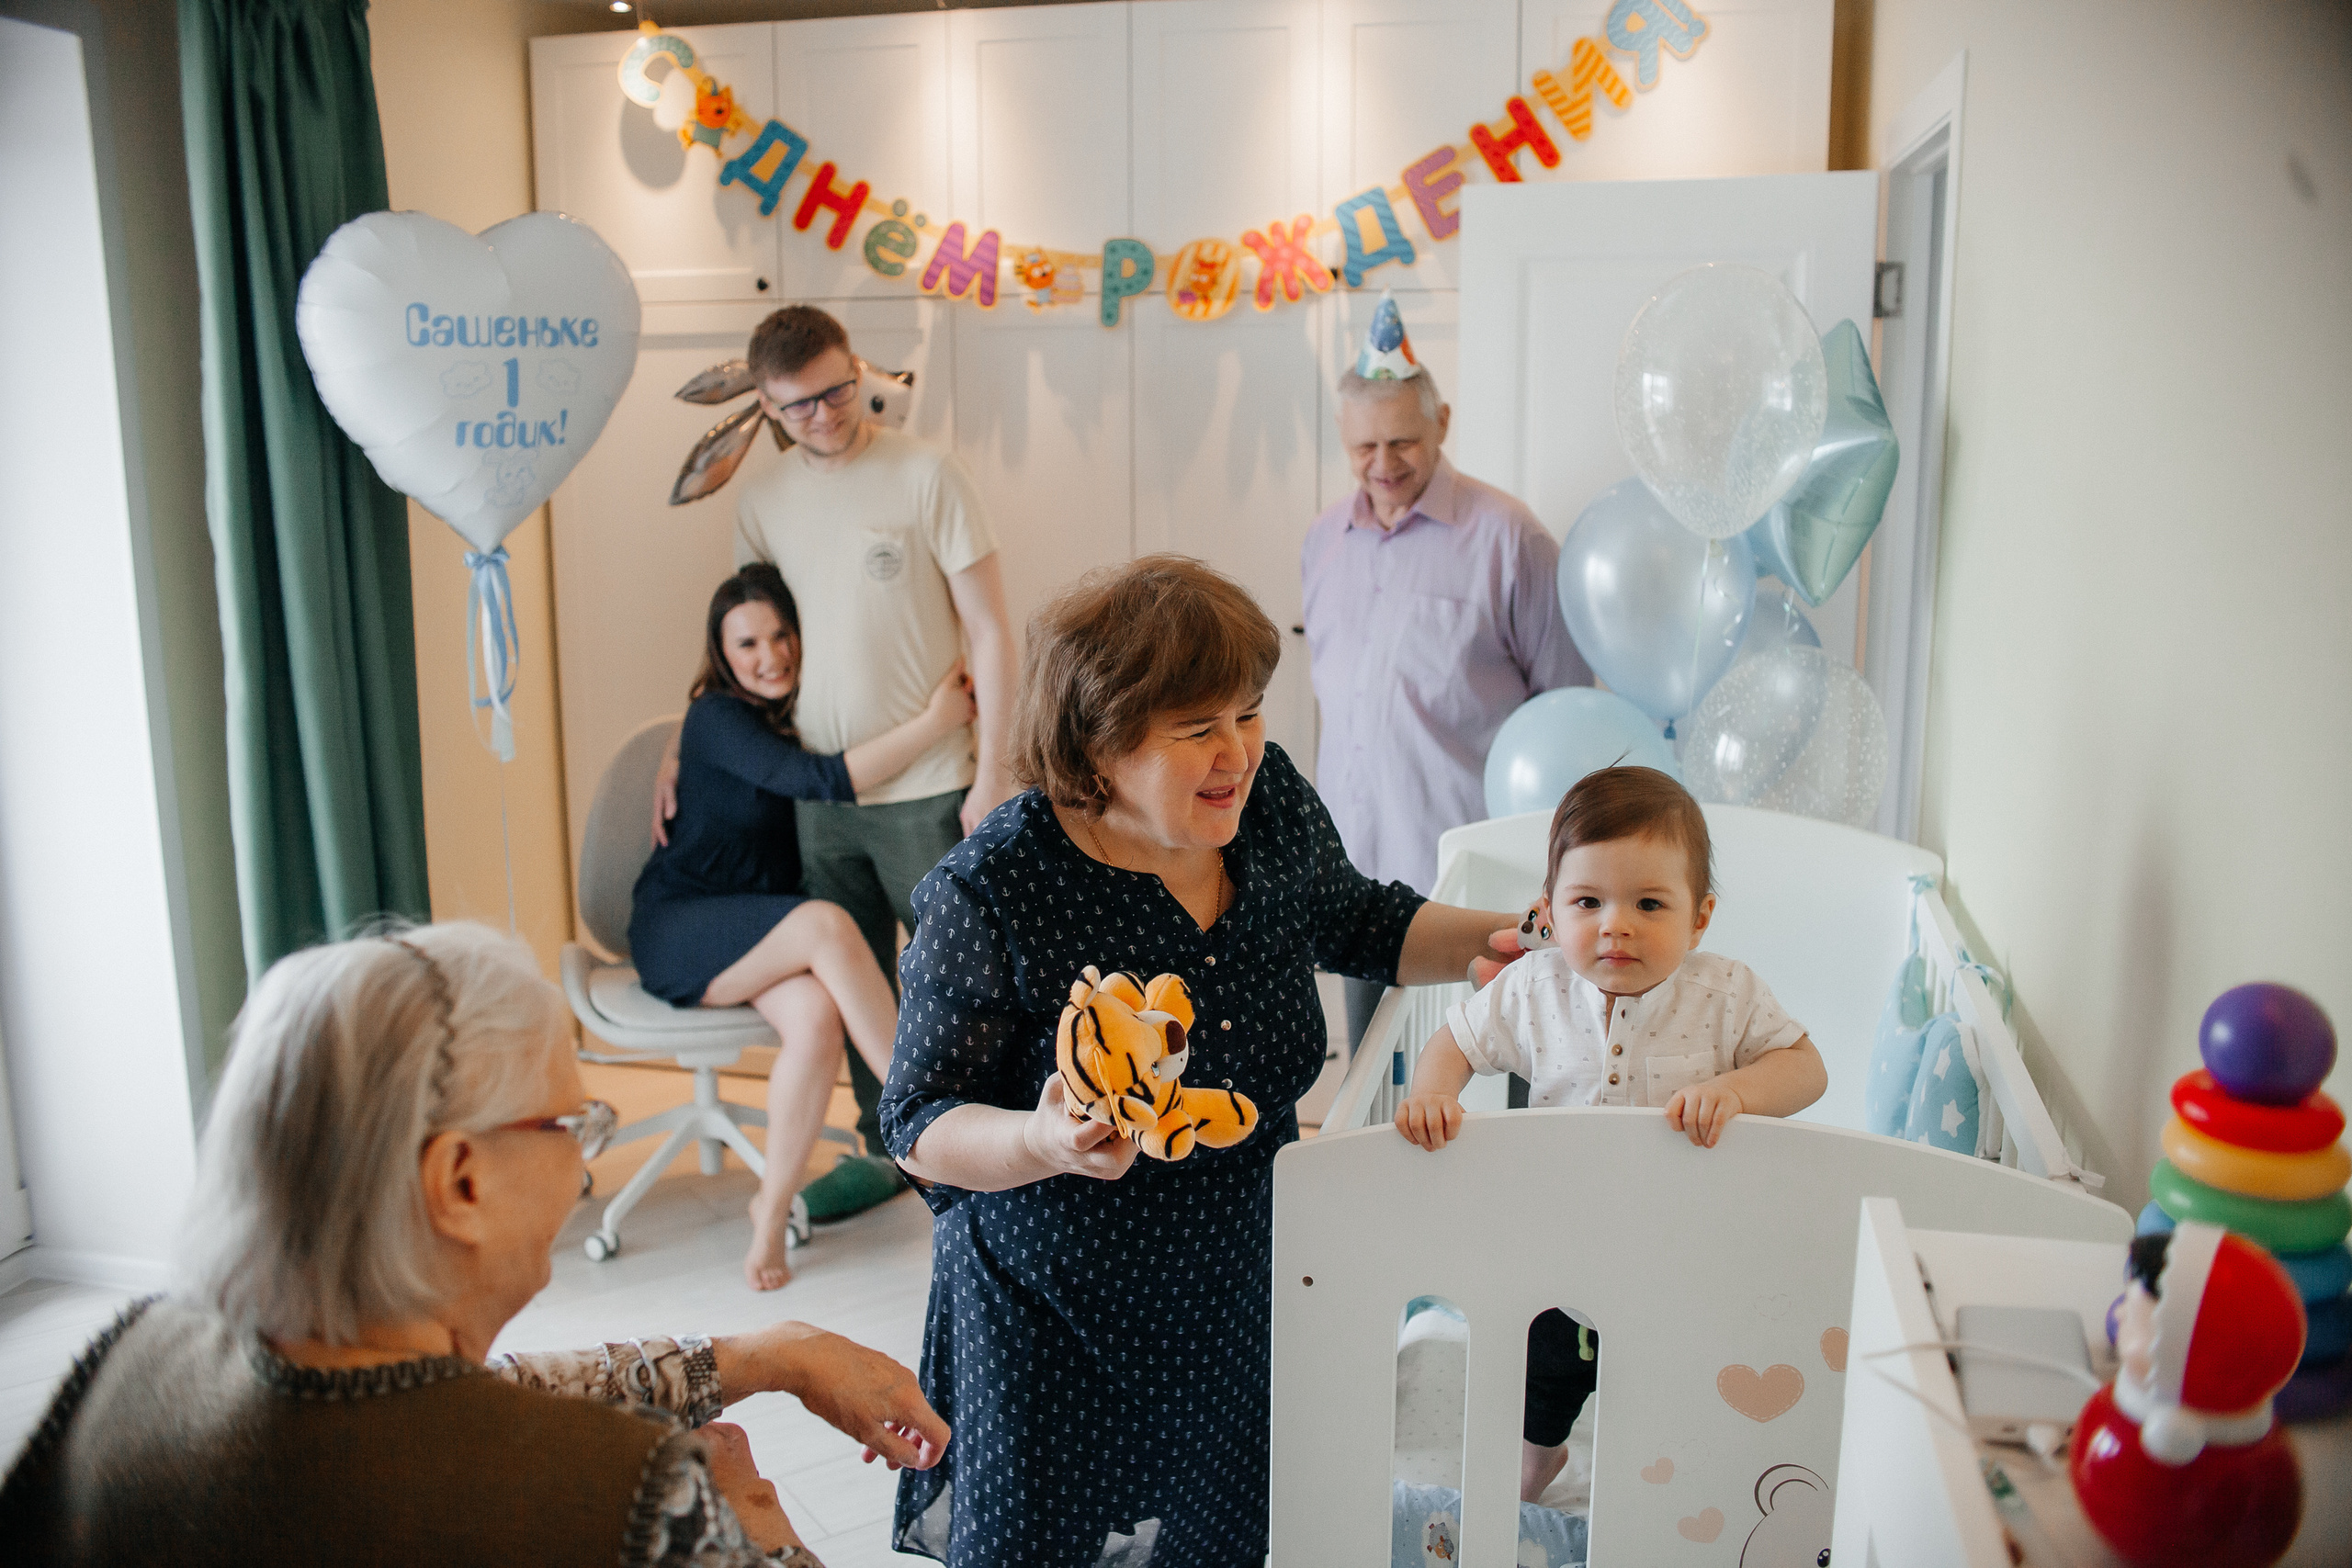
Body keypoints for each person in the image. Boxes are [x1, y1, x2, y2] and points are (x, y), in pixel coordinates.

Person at [877, 555, 1528, 1566]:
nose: (1238, 752)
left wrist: (1527, 936)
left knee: (1216, 1545)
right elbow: (917, 1124)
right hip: (1055, 1320)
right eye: (1195, 730)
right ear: (1093, 748)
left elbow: (1357, 919)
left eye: (1249, 713)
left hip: (1235, 1288)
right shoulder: (994, 889)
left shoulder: (1262, 809)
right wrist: (1044, 1139)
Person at [0, 921, 949, 1567]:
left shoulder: (133, 1359)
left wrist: (767, 1355)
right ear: (459, 1180)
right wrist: (760, 1531)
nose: (584, 1168)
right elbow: (485, 1447)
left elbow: (463, 1408)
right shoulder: (624, 1504)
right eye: (570, 1127)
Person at [660, 305, 1018, 1221]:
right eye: (796, 407)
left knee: (964, 974)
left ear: (858, 369)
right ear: (767, 408)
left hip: (931, 781)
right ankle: (885, 1143)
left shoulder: (927, 474)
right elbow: (739, 637)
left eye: (835, 391)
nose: (821, 415)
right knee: (854, 975)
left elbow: (990, 629)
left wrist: (994, 773)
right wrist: (678, 743)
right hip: (818, 795)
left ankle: (994, 1144)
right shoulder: (763, 502)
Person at [1393, 766, 1828, 1503]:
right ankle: (1539, 1462)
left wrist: (1735, 1089)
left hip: (1682, 1249)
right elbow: (1454, 1043)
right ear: (1550, 911)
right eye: (1587, 901)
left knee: (1676, 1381)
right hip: (1560, 1249)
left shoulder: (1725, 994)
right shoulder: (1535, 989)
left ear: (1699, 917)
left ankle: (1663, 1488)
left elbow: (1806, 1068)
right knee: (1541, 1373)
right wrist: (1434, 1095)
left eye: (1649, 902)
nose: (1614, 923)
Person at [632, 565, 976, 1289]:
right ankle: (921, 1114)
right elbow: (826, 782)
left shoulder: (789, 714)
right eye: (748, 642)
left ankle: (769, 1212)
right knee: (826, 924)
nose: (770, 655)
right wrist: (938, 722)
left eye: (781, 634)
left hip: (755, 927)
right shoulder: (718, 718)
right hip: (683, 922)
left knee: (818, 1017)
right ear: (722, 654)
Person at [1301, 293, 1590, 1055]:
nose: (1385, 465)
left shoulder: (1510, 538)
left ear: (1443, 423)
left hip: (1473, 874)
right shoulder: (1322, 542)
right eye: (1365, 447)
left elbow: (1568, 715)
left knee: (1501, 1075)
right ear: (1342, 435)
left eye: (1404, 441)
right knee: (1373, 1077)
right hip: (1356, 879)